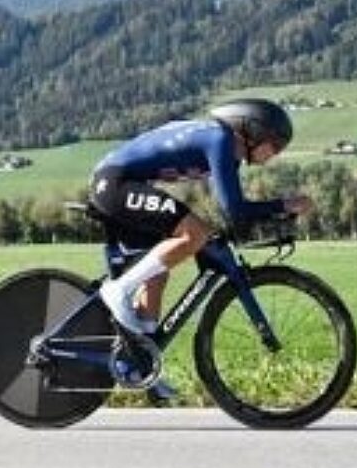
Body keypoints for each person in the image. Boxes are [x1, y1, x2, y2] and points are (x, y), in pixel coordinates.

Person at [90, 98, 313, 399]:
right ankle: (118, 291)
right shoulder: (219, 139)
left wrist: (266, 215)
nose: (275, 153)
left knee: (156, 274)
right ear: (253, 131)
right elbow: (235, 209)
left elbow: (230, 210)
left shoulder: (226, 149)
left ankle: (142, 365)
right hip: (115, 183)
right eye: (275, 144)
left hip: (120, 183)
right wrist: (284, 205)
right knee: (194, 234)